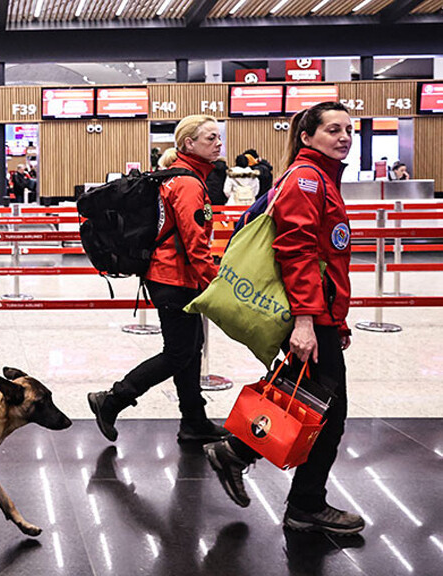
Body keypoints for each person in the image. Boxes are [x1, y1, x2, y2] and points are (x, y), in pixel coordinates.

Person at [204, 102, 364, 535]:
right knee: (327, 413)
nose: (344, 136)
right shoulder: (309, 180)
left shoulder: (320, 179)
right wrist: (308, 322)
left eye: (349, 129)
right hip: (309, 316)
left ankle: (238, 454)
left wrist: (335, 321)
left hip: (320, 315)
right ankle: (304, 504)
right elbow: (296, 254)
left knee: (308, 404)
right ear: (308, 137)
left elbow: (326, 260)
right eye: (333, 129)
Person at [87, 115, 229, 445]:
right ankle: (112, 399)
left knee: (191, 349)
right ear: (188, 144)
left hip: (170, 276)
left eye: (218, 137)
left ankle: (194, 421)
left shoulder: (180, 177)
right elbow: (195, 243)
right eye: (210, 138)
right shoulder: (189, 184)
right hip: (174, 278)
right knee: (179, 352)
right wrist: (217, 283)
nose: (218, 143)